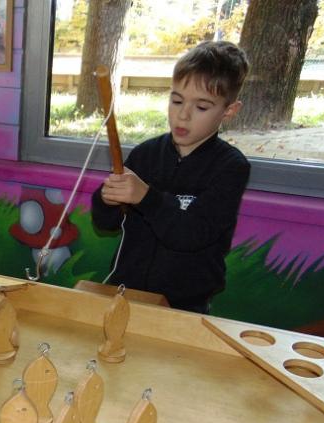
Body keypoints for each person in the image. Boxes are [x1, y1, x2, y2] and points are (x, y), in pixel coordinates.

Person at [91, 41, 250, 313]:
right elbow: (106, 224)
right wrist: (107, 199)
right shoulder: (146, 154)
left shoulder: (230, 167)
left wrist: (146, 197)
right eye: (176, 100)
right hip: (127, 293)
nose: (183, 115)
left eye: (201, 107)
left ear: (229, 111)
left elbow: (192, 234)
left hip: (185, 305)